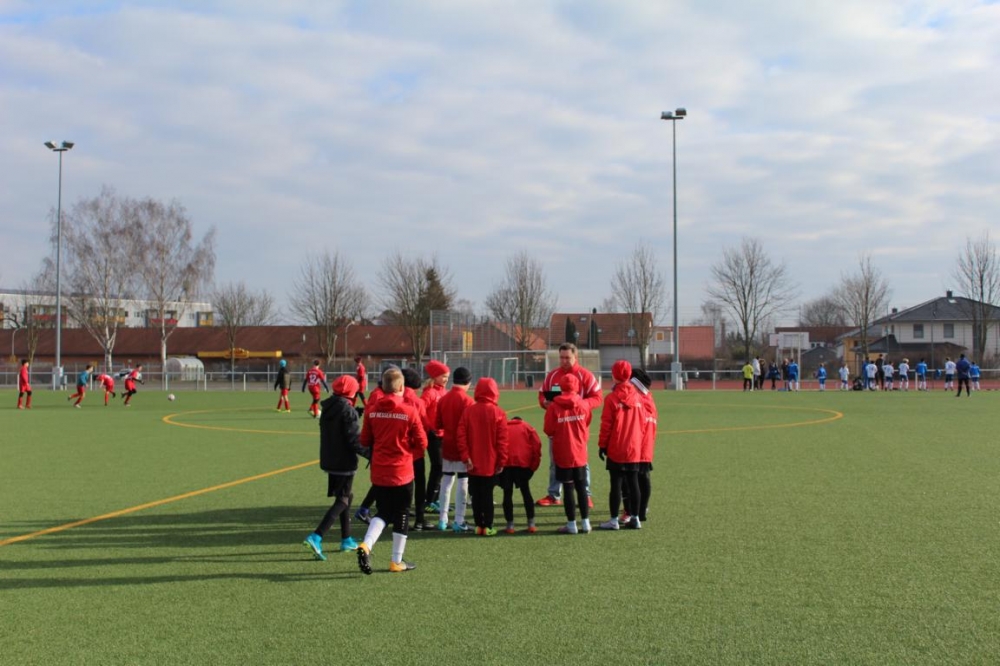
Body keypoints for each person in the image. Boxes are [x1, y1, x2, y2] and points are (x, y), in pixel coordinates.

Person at [355, 368, 428, 574]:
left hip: (380, 470)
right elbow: (422, 442)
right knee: (402, 512)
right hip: (402, 470)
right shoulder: (409, 411)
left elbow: (364, 440)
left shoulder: (372, 410)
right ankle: (396, 561)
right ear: (402, 387)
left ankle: (366, 545)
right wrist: (407, 448)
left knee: (383, 512)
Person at [303, 375, 363, 560]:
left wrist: (355, 413)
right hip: (344, 461)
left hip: (330, 459)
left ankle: (346, 538)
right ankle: (317, 536)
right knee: (343, 500)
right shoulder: (348, 411)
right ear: (352, 391)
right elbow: (354, 441)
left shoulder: (329, 407)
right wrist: (373, 454)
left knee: (346, 496)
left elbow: (339, 425)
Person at [536, 343, 601, 508]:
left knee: (581, 461)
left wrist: (581, 405)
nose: (564, 361)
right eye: (561, 357)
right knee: (555, 461)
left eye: (567, 358)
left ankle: (585, 495)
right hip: (558, 427)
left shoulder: (585, 375)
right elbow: (542, 394)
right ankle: (554, 495)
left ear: (575, 357)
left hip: (577, 428)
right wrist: (545, 403)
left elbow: (597, 397)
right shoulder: (553, 375)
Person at [457, 377, 508, 536]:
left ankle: (479, 525)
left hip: (472, 462)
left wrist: (465, 456)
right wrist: (502, 461)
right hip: (490, 462)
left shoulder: (469, 411)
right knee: (487, 495)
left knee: (476, 495)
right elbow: (502, 441)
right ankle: (488, 526)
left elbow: (461, 437)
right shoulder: (498, 413)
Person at [598, 360, 645, 531]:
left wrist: (602, 445)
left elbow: (606, 425)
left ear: (614, 375)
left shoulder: (611, 398)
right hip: (634, 446)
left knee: (616, 485)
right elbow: (643, 423)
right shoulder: (638, 397)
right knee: (633, 483)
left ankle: (613, 520)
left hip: (617, 446)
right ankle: (636, 518)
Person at [543, 375, 594, 534]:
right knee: (581, 488)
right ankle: (586, 523)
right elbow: (587, 421)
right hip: (579, 451)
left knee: (568, 488)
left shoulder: (553, 407)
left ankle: (571, 524)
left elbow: (548, 429)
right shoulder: (583, 404)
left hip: (563, 451)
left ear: (561, 387)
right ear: (576, 386)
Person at [435, 367, 475, 532]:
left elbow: (438, 424)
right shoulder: (468, 401)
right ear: (468, 382)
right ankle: (459, 519)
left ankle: (442, 519)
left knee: (446, 480)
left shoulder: (443, 399)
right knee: (463, 480)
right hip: (463, 446)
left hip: (447, 444)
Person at [402, 368, 434, 531]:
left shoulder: (392, 398)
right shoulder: (417, 401)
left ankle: (400, 518)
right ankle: (419, 519)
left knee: (401, 486)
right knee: (419, 485)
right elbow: (425, 425)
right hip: (415, 451)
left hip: (397, 451)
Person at [500, 416, 541, 534]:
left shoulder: (503, 427)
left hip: (506, 465)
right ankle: (531, 524)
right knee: (526, 492)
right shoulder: (527, 427)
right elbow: (537, 447)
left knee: (507, 494)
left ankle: (510, 525)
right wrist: (532, 467)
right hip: (523, 465)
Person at [421, 360, 450, 514]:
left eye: (447, 376)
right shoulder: (429, 393)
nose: (446, 379)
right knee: (437, 466)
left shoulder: (444, 392)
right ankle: (429, 501)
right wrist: (429, 428)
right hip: (433, 435)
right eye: (443, 376)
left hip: (443, 434)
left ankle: (436, 499)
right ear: (435, 376)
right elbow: (420, 411)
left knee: (442, 467)